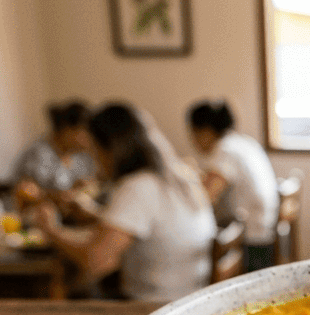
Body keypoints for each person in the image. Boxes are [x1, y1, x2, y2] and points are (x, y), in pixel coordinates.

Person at [36, 103, 216, 302]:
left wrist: (51, 231)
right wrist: (93, 214)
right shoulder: (178, 174)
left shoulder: (138, 186)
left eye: (94, 150)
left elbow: (97, 260)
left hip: (152, 305)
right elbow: (145, 228)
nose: (95, 161)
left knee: (67, 286)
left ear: (110, 148)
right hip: (189, 295)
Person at [187, 100, 279, 273]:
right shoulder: (243, 143)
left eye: (193, 133)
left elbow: (205, 197)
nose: (193, 141)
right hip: (266, 227)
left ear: (205, 131)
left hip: (254, 240)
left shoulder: (225, 150)